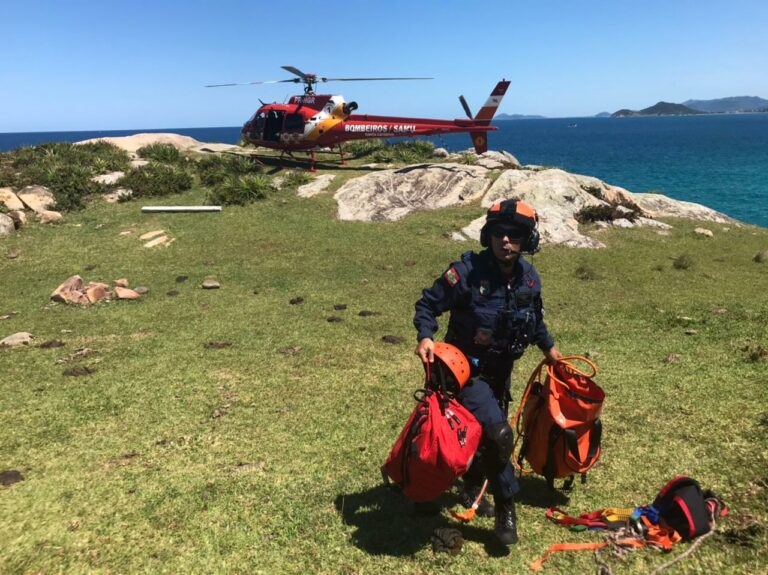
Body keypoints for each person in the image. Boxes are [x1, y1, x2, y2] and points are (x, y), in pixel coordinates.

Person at [413, 199, 562, 546]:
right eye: (498, 234)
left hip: (502, 372)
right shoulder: (466, 273)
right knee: (498, 435)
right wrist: (425, 335)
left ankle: (468, 488)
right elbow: (427, 304)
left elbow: (534, 318)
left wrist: (549, 349)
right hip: (463, 374)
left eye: (514, 235)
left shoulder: (529, 279)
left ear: (527, 240)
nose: (505, 241)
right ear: (488, 236)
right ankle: (506, 505)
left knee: (484, 440)